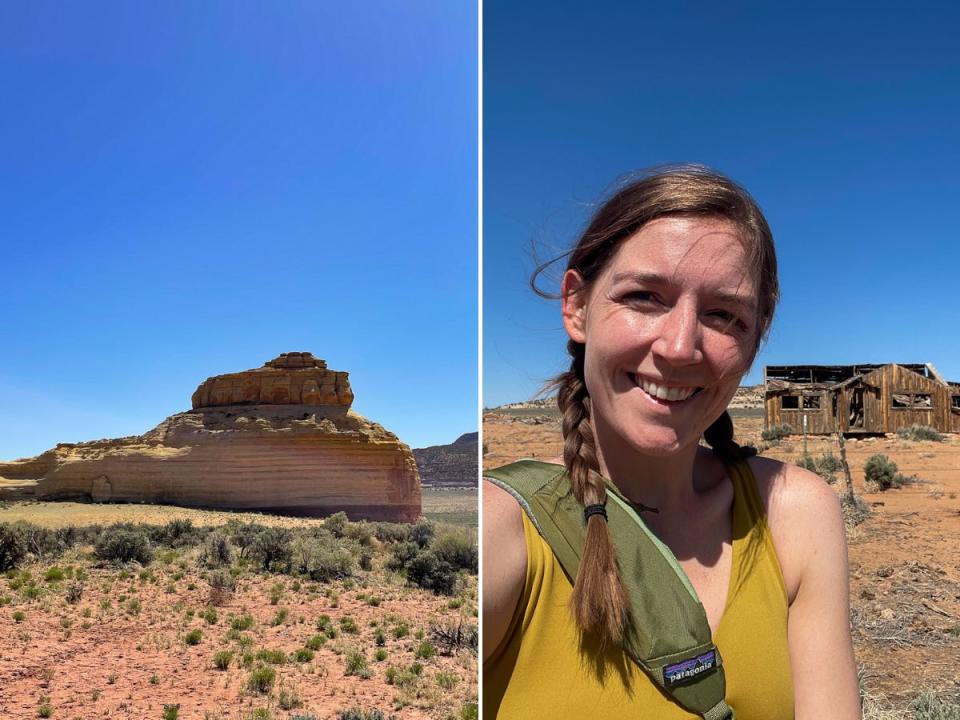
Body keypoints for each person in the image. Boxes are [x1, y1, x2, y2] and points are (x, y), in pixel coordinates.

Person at [483, 166, 860, 719]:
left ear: (755, 341)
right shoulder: (503, 530)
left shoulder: (795, 515)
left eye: (723, 315)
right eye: (644, 297)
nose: (682, 347)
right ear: (577, 307)